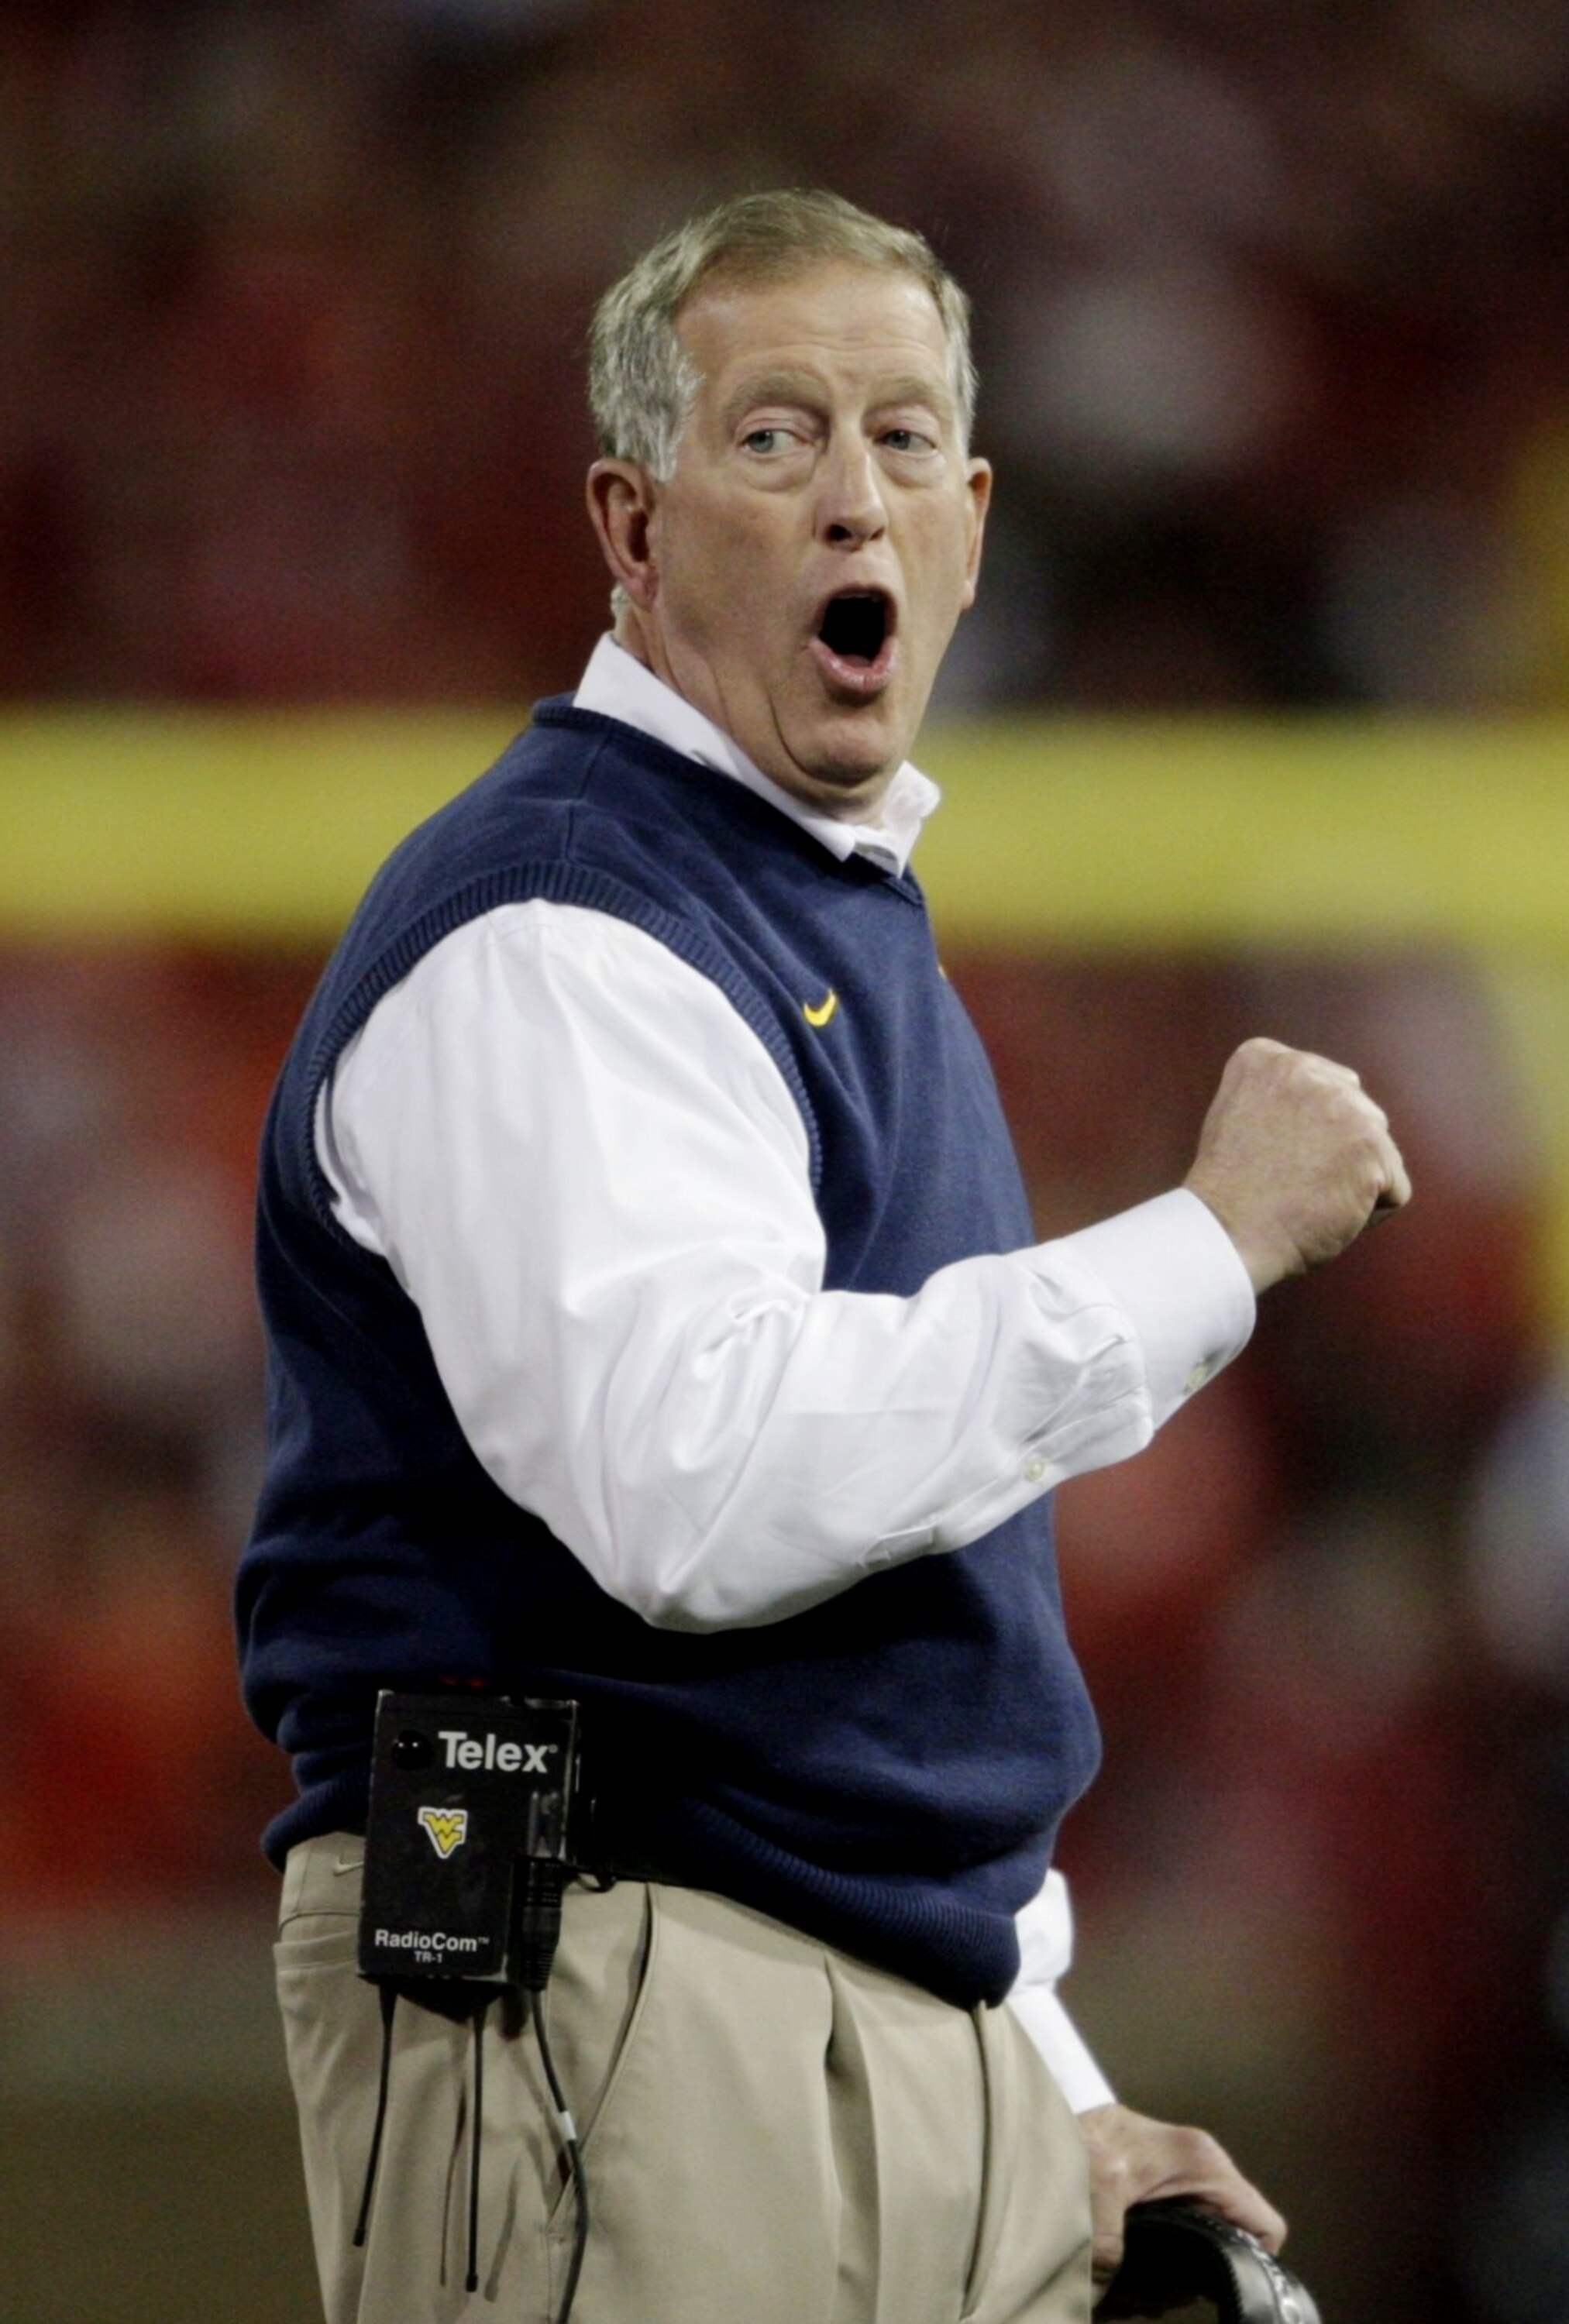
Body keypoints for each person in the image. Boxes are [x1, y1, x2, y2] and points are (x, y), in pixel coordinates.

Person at [237, 189, 1411, 2324]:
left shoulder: (812, 910)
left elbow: (898, 1647)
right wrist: (1206, 1247)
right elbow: (701, 1486)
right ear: (635, 521)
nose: (848, 495)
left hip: (848, 2018)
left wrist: (1029, 2073)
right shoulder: (563, 920)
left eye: (898, 440)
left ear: (969, 520)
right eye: (772, 438)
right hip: (602, 1982)